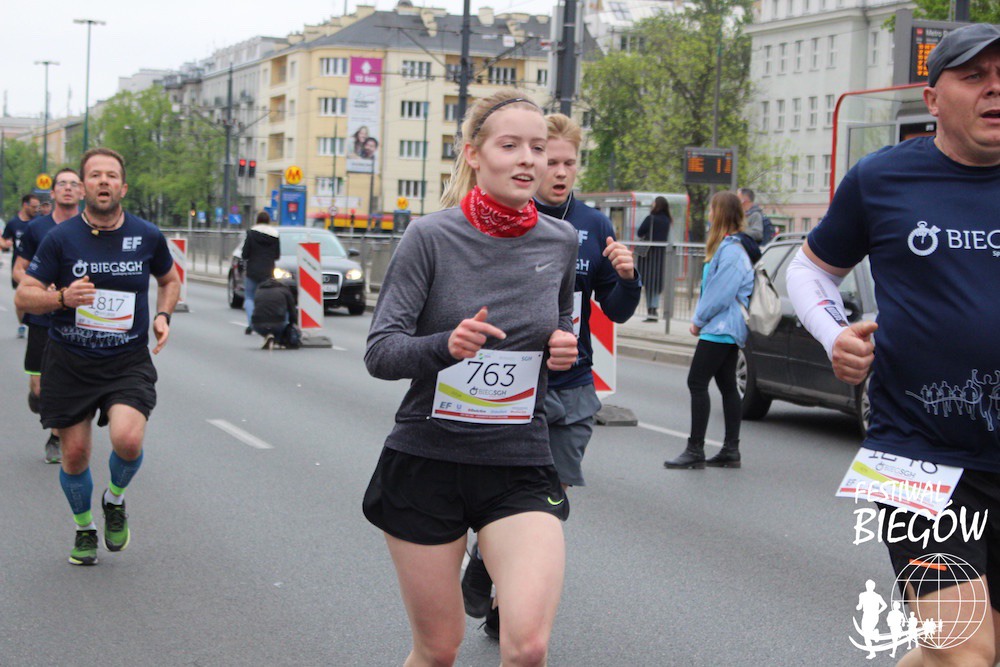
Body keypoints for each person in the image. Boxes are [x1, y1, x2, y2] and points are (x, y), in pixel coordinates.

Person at [786, 23, 1000, 666]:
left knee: (958, 654)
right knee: (965, 651)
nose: (995, 90)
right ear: (932, 100)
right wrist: (835, 334)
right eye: (975, 77)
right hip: (918, 454)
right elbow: (809, 270)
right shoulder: (883, 178)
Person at [363, 89, 578, 667]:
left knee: (528, 647)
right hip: (428, 461)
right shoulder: (430, 237)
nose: (528, 159)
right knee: (438, 651)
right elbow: (381, 353)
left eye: (538, 147)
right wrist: (446, 346)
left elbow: (560, 324)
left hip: (517, 461)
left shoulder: (561, 241)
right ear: (474, 155)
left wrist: (562, 347)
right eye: (510, 146)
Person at [461, 113, 642, 638]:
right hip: (517, 382)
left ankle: (490, 571)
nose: (560, 172)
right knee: (512, 494)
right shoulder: (510, 218)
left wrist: (628, 278)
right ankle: (499, 587)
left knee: (549, 497)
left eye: (569, 163)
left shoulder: (594, 225)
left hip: (574, 383)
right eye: (552, 161)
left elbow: (617, 309)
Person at [15, 147, 180, 566]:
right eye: (95, 175)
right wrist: (61, 298)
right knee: (74, 455)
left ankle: (115, 499)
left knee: (128, 439)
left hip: (126, 359)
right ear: (83, 187)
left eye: (111, 175)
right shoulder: (60, 238)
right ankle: (85, 527)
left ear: (123, 187)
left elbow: (169, 279)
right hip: (70, 359)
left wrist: (162, 315)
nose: (103, 181)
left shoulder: (146, 235)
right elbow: (24, 295)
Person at [664, 191, 753, 470]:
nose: (710, 214)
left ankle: (695, 450)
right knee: (727, 385)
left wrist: (698, 320)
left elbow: (720, 293)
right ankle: (730, 450)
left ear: (721, 213)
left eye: (713, 209)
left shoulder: (732, 251)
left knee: (697, 382)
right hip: (726, 326)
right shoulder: (730, 247)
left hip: (721, 327)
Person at [13, 168, 83, 463]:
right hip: (43, 315)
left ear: (82, 191)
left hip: (78, 319)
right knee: (40, 389)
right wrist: (38, 287)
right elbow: (19, 269)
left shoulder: (92, 227)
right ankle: (39, 398)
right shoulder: (37, 229)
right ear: (52, 193)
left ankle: (56, 437)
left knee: (66, 384)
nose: (68, 188)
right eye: (62, 184)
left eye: (74, 184)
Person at [2, 193, 41, 338]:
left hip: (37, 265)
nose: (36, 210)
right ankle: (22, 324)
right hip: (19, 266)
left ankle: (38, 324)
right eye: (33, 207)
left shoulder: (39, 223)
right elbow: (3, 239)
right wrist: (5, 243)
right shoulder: (13, 223)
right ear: (25, 205)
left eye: (38, 207)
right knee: (21, 298)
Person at [241, 211, 280, 334]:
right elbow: (277, 255)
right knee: (267, 298)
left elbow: (245, 254)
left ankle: (251, 323)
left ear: (257, 220)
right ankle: (267, 324)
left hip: (252, 271)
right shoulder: (275, 235)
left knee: (249, 297)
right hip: (268, 272)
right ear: (268, 221)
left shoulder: (251, 233)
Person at [635, 196, 671, 322]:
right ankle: (654, 309)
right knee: (655, 283)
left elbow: (640, 232)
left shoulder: (650, 218)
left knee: (649, 281)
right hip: (660, 255)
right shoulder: (667, 220)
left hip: (648, 255)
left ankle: (650, 311)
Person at [251, 276, 300, 350]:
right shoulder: (284, 290)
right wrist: (294, 324)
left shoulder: (259, 290)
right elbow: (292, 310)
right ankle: (277, 339)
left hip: (257, 325)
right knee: (284, 313)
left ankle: (268, 335)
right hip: (278, 324)